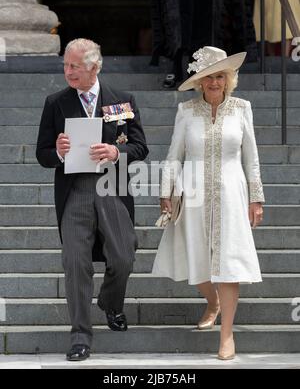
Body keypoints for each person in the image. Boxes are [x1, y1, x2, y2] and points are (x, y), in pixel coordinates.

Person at [36, 39, 148, 361]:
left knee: (124, 255)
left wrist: (116, 151)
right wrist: (58, 151)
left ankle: (111, 303)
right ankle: (80, 336)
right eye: (66, 66)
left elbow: (140, 146)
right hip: (76, 191)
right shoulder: (55, 102)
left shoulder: (122, 100)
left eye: (74, 66)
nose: (67, 71)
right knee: (75, 262)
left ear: (94, 68)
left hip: (112, 186)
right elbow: (42, 153)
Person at [152, 46, 265, 360]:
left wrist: (257, 198)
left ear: (229, 78)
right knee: (197, 260)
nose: (214, 82)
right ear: (199, 82)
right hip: (193, 191)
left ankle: (226, 335)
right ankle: (212, 302)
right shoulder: (186, 111)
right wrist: (166, 193)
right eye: (208, 77)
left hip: (232, 191)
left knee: (228, 264)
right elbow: (174, 156)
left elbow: (251, 158)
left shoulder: (243, 108)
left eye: (219, 76)